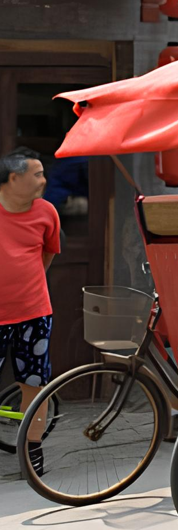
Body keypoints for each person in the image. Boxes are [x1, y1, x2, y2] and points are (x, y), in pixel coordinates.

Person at [0, 148, 60, 476]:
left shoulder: (47, 212)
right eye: (36, 174)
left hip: (34, 313)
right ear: (13, 178)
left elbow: (48, 253)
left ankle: (32, 450)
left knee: (34, 383)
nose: (43, 181)